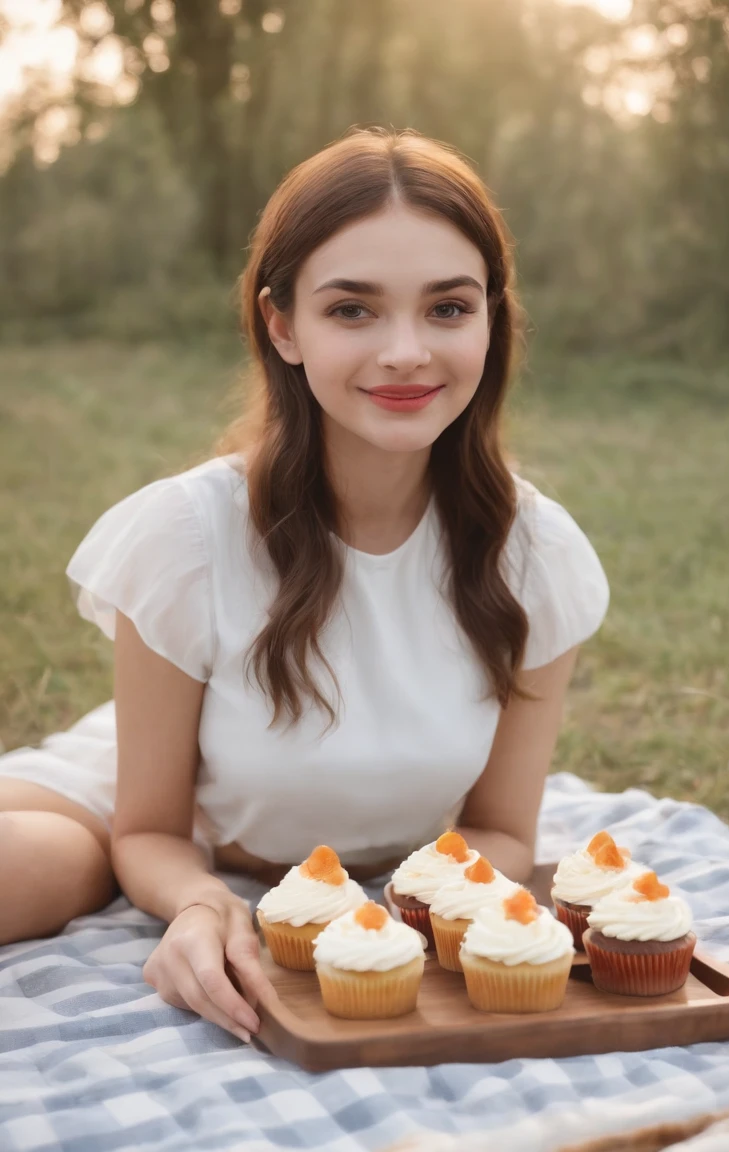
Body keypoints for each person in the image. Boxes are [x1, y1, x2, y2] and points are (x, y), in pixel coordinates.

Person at [0, 127, 609, 1044]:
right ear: (282, 325)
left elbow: (504, 837)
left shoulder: (536, 556)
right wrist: (206, 907)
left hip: (339, 873)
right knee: (33, 869)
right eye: (353, 311)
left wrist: (388, 924)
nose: (406, 352)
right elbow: (148, 828)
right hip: (133, 817)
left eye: (448, 308)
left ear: (492, 317)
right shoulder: (188, 537)